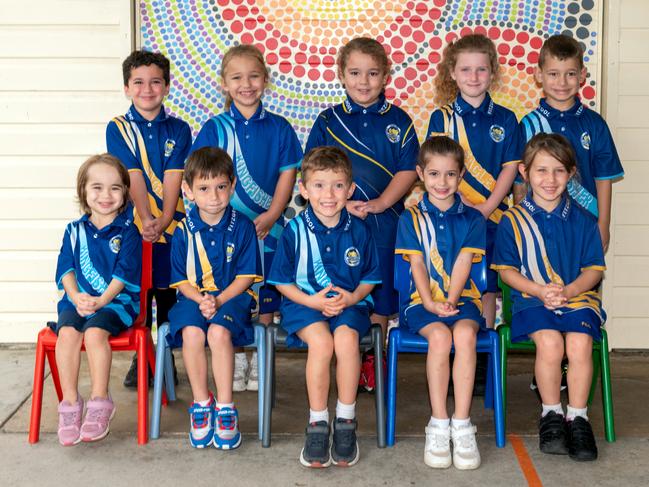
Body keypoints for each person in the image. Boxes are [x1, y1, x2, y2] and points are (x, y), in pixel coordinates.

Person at [305, 37, 419, 392]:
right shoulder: (328, 120)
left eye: (372, 73)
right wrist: (340, 205)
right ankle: (345, 353)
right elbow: (311, 170)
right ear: (341, 74)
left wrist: (381, 203)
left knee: (380, 293)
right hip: (335, 225)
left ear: (386, 75)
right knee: (342, 287)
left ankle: (374, 357)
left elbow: (409, 169)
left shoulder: (399, 120)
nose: (363, 81)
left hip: (384, 224)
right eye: (355, 73)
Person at [191, 44, 302, 392]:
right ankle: (237, 358)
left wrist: (271, 214)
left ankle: (261, 359)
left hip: (271, 227)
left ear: (266, 80)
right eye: (237, 77)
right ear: (224, 84)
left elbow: (288, 174)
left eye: (254, 76)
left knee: (266, 289)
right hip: (227, 233)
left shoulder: (281, 128)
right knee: (232, 289)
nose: (246, 84)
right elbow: (202, 177)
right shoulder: (214, 128)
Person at [493, 133, 606, 462]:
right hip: (532, 300)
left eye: (559, 171)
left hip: (578, 298)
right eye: (541, 171)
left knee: (580, 344)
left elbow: (594, 271)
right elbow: (507, 272)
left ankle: (579, 417)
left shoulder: (585, 222)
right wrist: (540, 290)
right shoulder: (512, 221)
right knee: (551, 344)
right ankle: (552, 414)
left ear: (571, 174)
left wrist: (570, 291)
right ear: (525, 174)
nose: (550, 179)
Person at [268, 146, 381, 468]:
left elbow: (370, 278)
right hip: (304, 304)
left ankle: (345, 421)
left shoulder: (360, 230)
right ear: (303, 189)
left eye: (337, 185)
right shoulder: (293, 230)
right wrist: (312, 301)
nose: (328, 194)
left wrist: (353, 298)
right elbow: (281, 281)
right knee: (321, 343)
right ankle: (318, 422)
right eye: (318, 185)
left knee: (346, 340)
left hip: (350, 304)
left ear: (350, 189)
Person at [427, 33, 523, 392]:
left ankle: (479, 355)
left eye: (481, 69)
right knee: (452, 277)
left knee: (486, 287)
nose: (473, 76)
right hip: (451, 217)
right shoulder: (442, 117)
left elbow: (510, 170)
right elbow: (436, 167)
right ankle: (450, 349)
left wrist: (486, 207)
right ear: (452, 72)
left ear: (492, 73)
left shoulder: (507, 118)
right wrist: (463, 206)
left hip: (494, 217)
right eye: (465, 69)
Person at [395, 136, 485, 470]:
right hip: (423, 303)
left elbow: (463, 263)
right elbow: (417, 264)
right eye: (434, 174)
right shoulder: (410, 218)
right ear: (420, 174)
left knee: (464, 336)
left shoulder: (474, 219)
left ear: (461, 175)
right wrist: (433, 302)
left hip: (463, 301)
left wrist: (450, 300)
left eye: (450, 174)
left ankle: (462, 424)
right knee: (440, 337)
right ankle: (438, 421)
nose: (442, 182)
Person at [106, 50, 192, 387]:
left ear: (167, 87)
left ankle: (165, 353)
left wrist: (165, 218)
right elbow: (132, 175)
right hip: (136, 227)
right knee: (141, 291)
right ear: (127, 88)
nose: (147, 89)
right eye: (139, 82)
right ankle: (143, 354)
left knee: (168, 289)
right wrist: (145, 220)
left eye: (156, 82)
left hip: (171, 226)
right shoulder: (118, 128)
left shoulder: (180, 129)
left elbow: (174, 176)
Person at [167, 147, 262, 449]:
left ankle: (225, 408)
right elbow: (180, 281)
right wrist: (201, 300)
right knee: (193, 334)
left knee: (219, 334)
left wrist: (218, 300)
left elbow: (246, 277)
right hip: (192, 298)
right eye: (204, 188)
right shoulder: (183, 230)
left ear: (233, 185)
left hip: (232, 298)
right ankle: (200, 405)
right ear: (188, 191)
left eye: (221, 187)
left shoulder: (244, 226)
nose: (214, 196)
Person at [54, 154, 141, 446]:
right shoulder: (73, 231)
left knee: (93, 334)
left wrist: (101, 300)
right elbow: (66, 270)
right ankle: (69, 405)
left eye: (115, 188)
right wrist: (77, 296)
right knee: (66, 334)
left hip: (116, 302)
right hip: (78, 301)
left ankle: (100, 401)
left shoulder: (129, 232)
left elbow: (123, 275)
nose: (106, 195)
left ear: (125, 193)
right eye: (97, 187)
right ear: (84, 192)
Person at [515, 35, 624, 253]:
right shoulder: (527, 125)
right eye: (553, 74)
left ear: (582, 75)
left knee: (583, 285)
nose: (562, 83)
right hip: (538, 225)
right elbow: (519, 182)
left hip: (585, 225)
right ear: (539, 75)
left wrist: (603, 225)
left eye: (570, 74)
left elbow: (603, 179)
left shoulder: (595, 123)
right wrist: (521, 223)